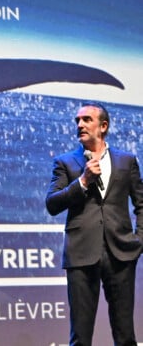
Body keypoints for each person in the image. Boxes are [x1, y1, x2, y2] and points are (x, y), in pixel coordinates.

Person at [45, 102, 143, 346]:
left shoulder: (126, 161)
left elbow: (141, 204)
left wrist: (139, 240)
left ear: (103, 126)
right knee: (80, 336)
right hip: (81, 254)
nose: (80, 125)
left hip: (121, 253)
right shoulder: (65, 162)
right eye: (77, 121)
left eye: (87, 120)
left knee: (125, 335)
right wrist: (82, 182)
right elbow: (52, 204)